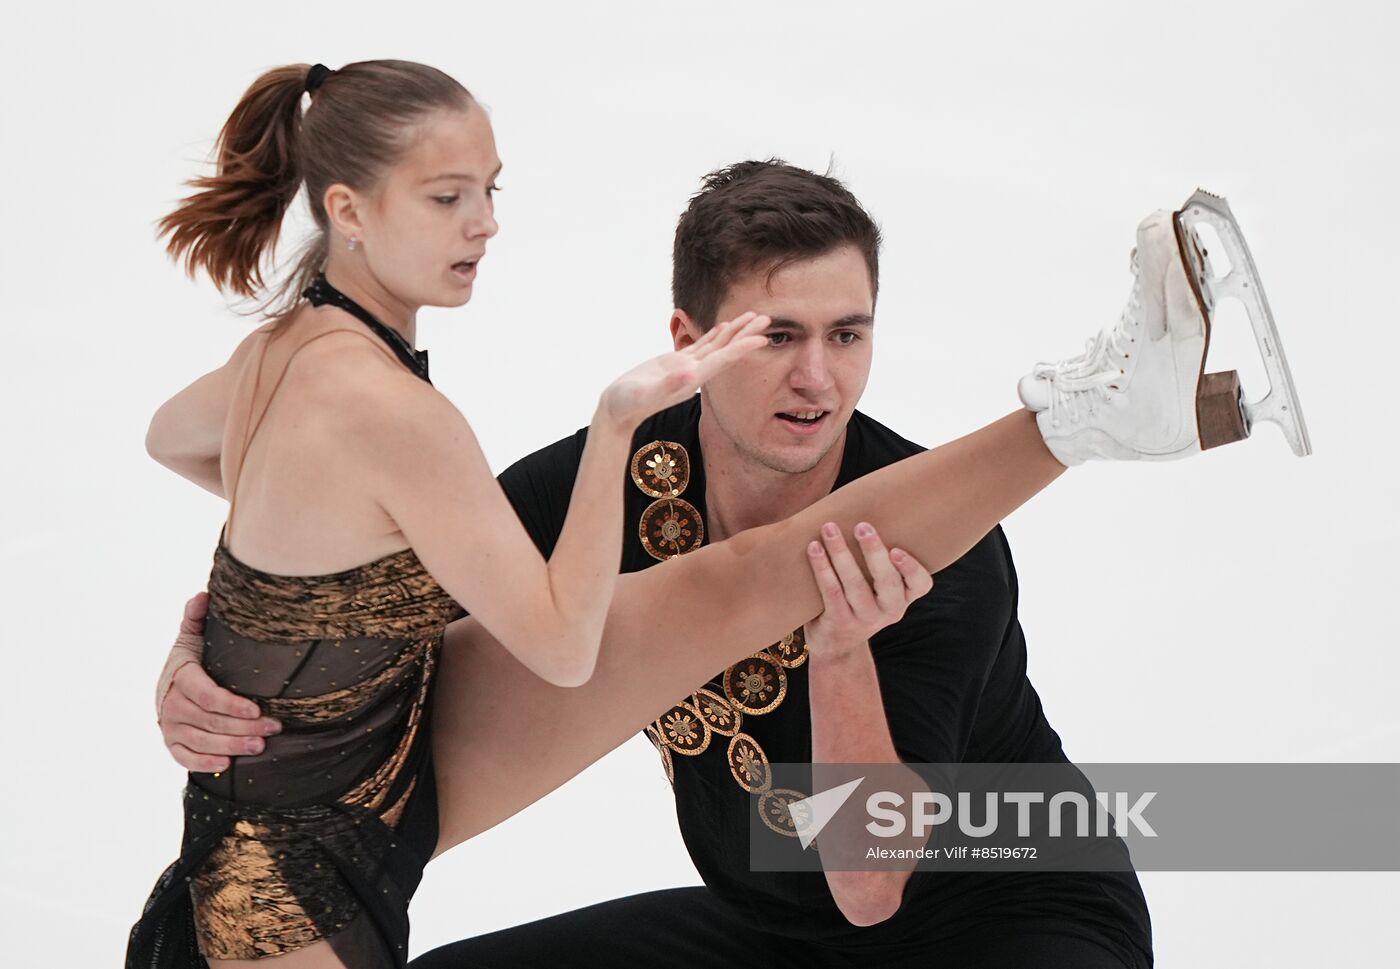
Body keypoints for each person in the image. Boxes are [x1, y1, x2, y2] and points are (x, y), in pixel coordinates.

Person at [152, 150, 1303, 966]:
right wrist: (214, 662)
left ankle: (1105, 410)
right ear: (689, 344)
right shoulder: (614, 478)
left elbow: (866, 887)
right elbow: (380, 587)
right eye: (777, 337)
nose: (819, 378)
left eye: (846, 335)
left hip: (1007, 923)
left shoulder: (940, 543)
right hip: (767, 927)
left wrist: (840, 654)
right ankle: (1108, 411)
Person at [127, 59, 773, 969]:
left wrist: (325, 559)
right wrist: (618, 423)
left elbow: (170, 437)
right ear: (348, 211)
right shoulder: (394, 414)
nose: (485, 222)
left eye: (489, 189)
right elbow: (561, 646)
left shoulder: (281, 348)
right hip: (293, 909)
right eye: (446, 197)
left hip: (250, 868)